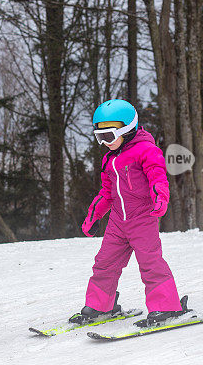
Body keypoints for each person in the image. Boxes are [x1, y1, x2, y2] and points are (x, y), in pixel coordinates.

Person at [75, 99, 188, 328]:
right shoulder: (109, 159)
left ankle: (166, 307)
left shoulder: (146, 150)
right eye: (99, 138)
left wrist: (160, 198)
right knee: (104, 263)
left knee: (150, 262)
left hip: (142, 218)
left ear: (126, 130)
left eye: (108, 136)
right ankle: (100, 305)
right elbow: (106, 193)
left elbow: (158, 177)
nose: (104, 143)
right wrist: (93, 217)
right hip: (117, 221)